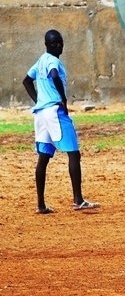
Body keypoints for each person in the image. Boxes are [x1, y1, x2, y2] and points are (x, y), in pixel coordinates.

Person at [23, 30, 100, 214]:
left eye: (60, 42)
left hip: (41, 114)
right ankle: (78, 200)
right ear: (46, 45)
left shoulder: (40, 61)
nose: (58, 45)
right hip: (55, 112)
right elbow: (55, 75)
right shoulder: (52, 61)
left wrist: (39, 101)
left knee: (43, 158)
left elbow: (27, 81)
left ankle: (41, 205)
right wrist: (63, 100)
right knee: (74, 154)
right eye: (54, 43)